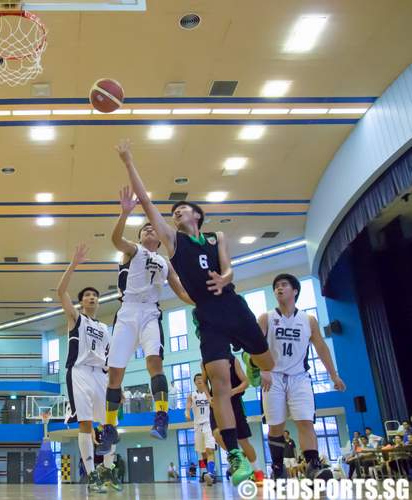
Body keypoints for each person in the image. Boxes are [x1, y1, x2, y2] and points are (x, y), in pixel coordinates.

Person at [116, 139, 274, 485]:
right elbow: (146, 201)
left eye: (184, 209)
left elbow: (230, 268)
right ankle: (234, 455)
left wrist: (225, 278)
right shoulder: (174, 243)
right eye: (175, 212)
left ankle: (249, 358)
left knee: (269, 364)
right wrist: (129, 161)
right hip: (209, 316)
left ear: (198, 216)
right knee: (219, 384)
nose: (177, 213)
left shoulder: (218, 237)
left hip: (233, 305)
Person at [103, 186, 193, 450]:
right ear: (140, 237)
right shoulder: (133, 251)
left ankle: (161, 415)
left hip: (151, 312)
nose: (149, 230)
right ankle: (109, 427)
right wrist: (124, 214)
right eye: (144, 229)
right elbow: (116, 240)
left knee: (155, 361)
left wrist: (203, 302)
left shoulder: (166, 262)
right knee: (115, 375)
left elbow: (181, 290)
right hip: (128, 312)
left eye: (152, 228)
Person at [258, 273, 346, 481]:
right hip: (274, 376)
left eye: (284, 285)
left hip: (300, 377)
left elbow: (321, 348)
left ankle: (313, 466)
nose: (279, 288)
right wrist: (263, 369)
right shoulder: (266, 318)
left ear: (295, 291)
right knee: (276, 426)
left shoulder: (308, 320)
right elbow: (254, 345)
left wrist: (334, 375)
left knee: (306, 422)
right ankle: (278, 468)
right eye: (276, 286)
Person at [56, 244, 118, 493]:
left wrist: (117, 385)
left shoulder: (104, 328)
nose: (92, 297)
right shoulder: (75, 318)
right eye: (87, 295)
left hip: (100, 376)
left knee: (108, 427)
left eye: (95, 296)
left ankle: (110, 472)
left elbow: (111, 359)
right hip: (79, 372)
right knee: (85, 424)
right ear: (81, 302)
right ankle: (92, 475)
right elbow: (61, 291)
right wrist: (74, 264)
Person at [202, 353, 265, 484]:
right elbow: (203, 382)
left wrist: (232, 391)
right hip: (217, 403)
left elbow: (246, 382)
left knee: (244, 441)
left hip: (234, 402)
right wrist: (208, 397)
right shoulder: (205, 361)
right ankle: (239, 458)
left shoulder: (232, 359)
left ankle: (258, 474)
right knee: (217, 434)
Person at [186, 373, 215, 485]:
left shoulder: (209, 393)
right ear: (194, 382)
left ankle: (211, 473)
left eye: (200, 378)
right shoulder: (191, 395)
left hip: (208, 423)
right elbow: (188, 406)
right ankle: (209, 474)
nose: (199, 380)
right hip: (197, 426)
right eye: (197, 379)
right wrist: (187, 412)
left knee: (209, 450)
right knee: (203, 453)